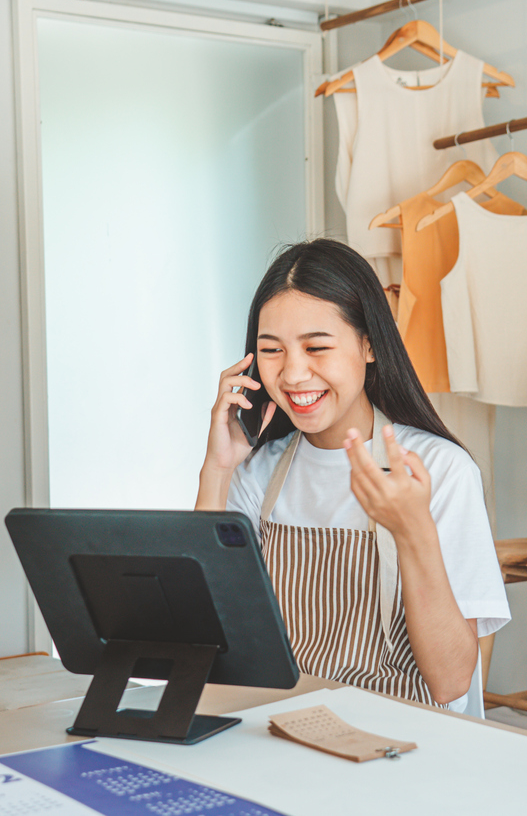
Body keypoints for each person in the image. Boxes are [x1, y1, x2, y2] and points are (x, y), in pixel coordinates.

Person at [196, 238, 509, 711]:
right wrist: (216, 470)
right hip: (281, 725)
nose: (294, 374)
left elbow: (450, 683)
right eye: (272, 350)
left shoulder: (440, 470)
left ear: (368, 344)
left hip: (401, 743)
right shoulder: (256, 472)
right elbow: (204, 631)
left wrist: (411, 529)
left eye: (317, 347)